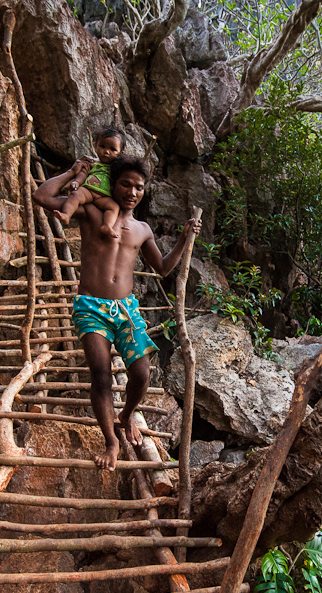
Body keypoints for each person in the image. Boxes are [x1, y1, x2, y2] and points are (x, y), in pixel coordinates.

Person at [33, 156, 201, 470]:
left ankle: (126, 416)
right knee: (101, 374)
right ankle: (111, 441)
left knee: (141, 374)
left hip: (126, 308)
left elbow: (163, 268)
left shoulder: (141, 229)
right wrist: (73, 172)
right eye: (125, 183)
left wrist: (183, 238)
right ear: (113, 183)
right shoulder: (92, 212)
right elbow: (41, 196)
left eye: (139, 186)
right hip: (90, 306)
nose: (132, 191)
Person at [50, 126, 124, 239]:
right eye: (102, 146)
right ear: (95, 146)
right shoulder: (92, 163)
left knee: (114, 207)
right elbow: (83, 174)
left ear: (120, 153)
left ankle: (107, 225)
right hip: (87, 191)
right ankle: (66, 214)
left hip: (104, 197)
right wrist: (76, 182)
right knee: (75, 195)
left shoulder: (116, 168)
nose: (106, 152)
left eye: (113, 149)